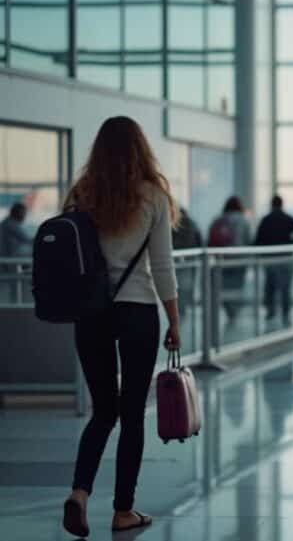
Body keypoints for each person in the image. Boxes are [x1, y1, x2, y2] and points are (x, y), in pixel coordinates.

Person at [60, 116, 180, 537]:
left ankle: (79, 492)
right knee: (131, 414)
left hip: (89, 313)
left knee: (102, 412)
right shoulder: (153, 196)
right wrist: (174, 321)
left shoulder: (82, 194)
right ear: (140, 149)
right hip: (137, 311)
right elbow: (162, 266)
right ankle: (123, 510)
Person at [254, 195, 293, 323]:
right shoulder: (288, 219)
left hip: (270, 258)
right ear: (282, 204)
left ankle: (271, 311)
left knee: (270, 285)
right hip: (286, 257)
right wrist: (290, 244)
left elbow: (258, 240)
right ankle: (285, 311)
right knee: (285, 287)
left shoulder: (266, 220)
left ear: (271, 205)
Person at [209, 196, 252, 320]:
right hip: (239, 260)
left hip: (221, 260)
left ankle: (229, 310)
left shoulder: (218, 219)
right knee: (237, 287)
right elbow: (249, 240)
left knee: (222, 287)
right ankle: (233, 313)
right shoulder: (244, 220)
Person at [0, 202, 32, 302]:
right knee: (13, 286)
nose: (24, 216)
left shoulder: (7, 223)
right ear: (17, 213)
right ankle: (15, 303)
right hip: (7, 262)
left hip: (6, 260)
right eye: (23, 213)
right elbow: (27, 239)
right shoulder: (10, 225)